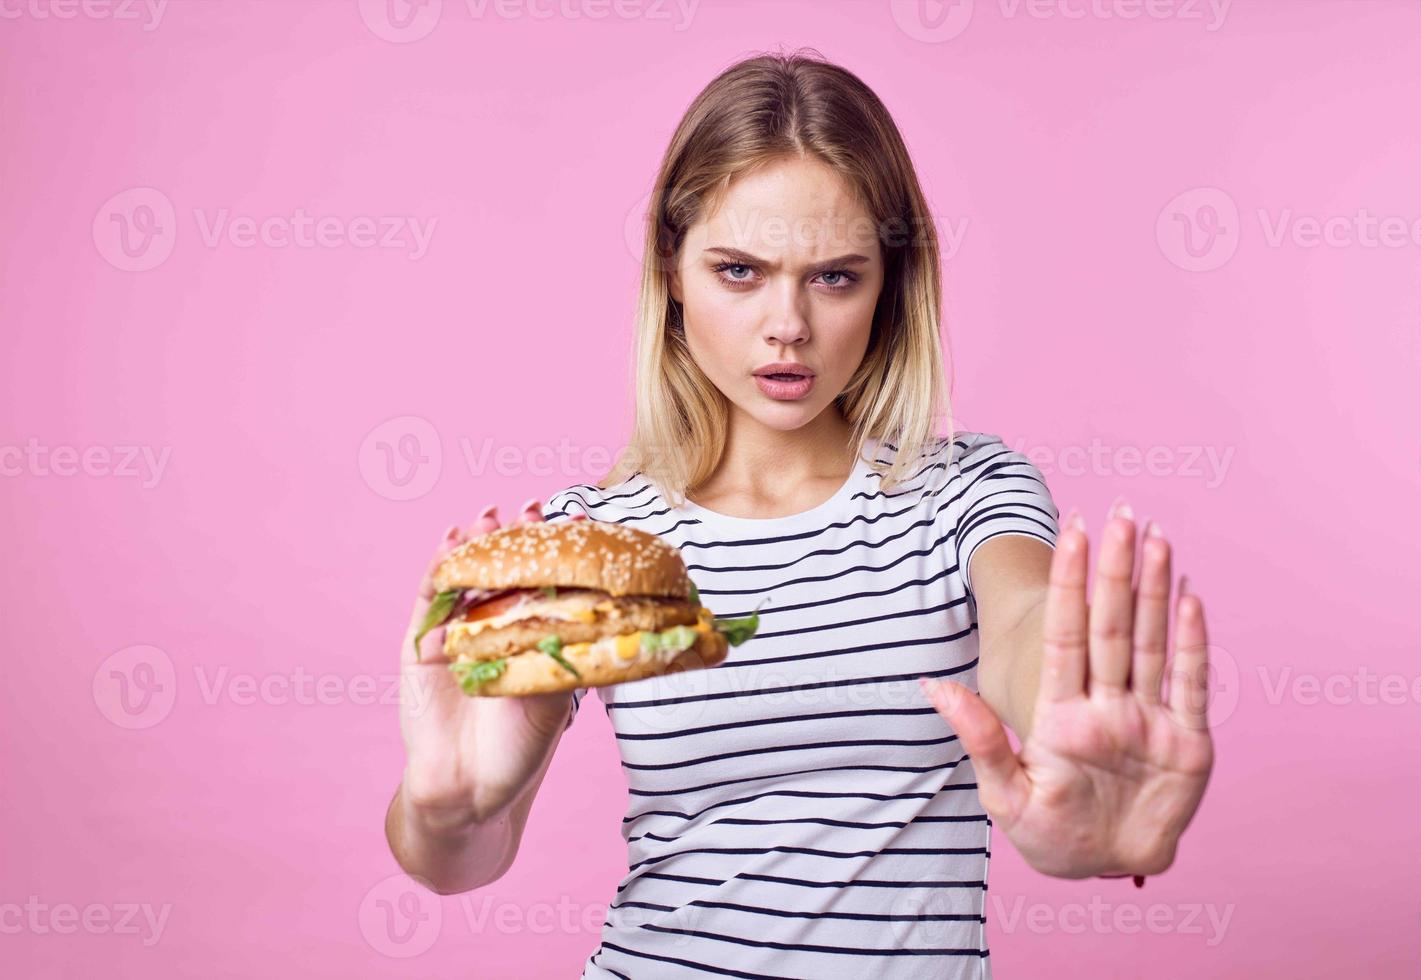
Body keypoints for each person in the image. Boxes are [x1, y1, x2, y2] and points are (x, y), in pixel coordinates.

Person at [387, 49, 1214, 979]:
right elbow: (454, 866)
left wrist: (1069, 714)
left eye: (833, 277)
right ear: (672, 271)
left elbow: (1024, 625)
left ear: (890, 286)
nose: (787, 325)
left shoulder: (965, 494)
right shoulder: (599, 541)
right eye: (739, 271)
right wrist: (450, 806)